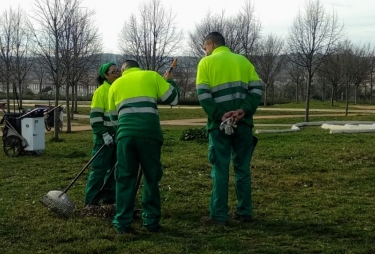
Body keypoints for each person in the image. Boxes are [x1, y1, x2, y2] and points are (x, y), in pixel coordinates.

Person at [196, 32, 263, 226]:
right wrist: (243, 110)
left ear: (210, 44)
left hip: (219, 127)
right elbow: (257, 89)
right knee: (242, 169)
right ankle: (245, 212)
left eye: (204, 47)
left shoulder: (205, 63)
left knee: (220, 169)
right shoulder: (244, 61)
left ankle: (218, 215)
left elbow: (203, 95)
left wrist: (220, 115)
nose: (205, 51)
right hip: (243, 124)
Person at [107, 59, 179, 234]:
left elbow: (112, 117)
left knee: (124, 178)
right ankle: (151, 220)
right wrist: (169, 80)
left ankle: (122, 222)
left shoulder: (115, 86)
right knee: (151, 178)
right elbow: (174, 99)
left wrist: (124, 132)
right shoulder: (152, 76)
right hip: (150, 135)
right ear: (138, 67)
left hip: (125, 136)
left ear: (124, 70)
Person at [83, 63, 120, 214]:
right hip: (103, 138)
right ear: (105, 75)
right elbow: (95, 117)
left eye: (118, 70)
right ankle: (91, 201)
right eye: (114, 71)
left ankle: (109, 198)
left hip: (116, 136)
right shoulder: (101, 91)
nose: (117, 73)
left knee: (113, 169)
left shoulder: (118, 88)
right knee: (99, 169)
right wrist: (103, 133)